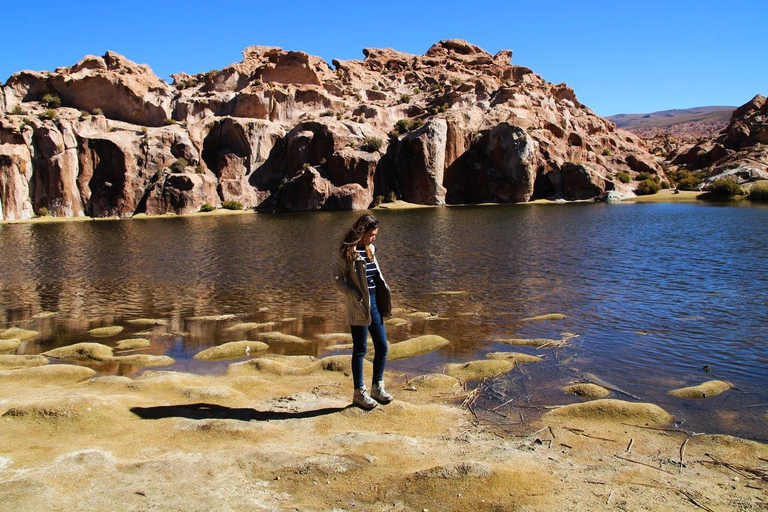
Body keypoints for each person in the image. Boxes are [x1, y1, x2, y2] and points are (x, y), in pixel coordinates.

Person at [332, 213, 394, 410]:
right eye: (372, 234)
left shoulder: (370, 249)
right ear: (362, 232)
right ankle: (359, 393)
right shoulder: (346, 253)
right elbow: (336, 279)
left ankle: (377, 387)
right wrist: (353, 294)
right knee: (360, 350)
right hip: (358, 307)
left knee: (382, 346)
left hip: (375, 303)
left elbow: (375, 277)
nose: (374, 237)